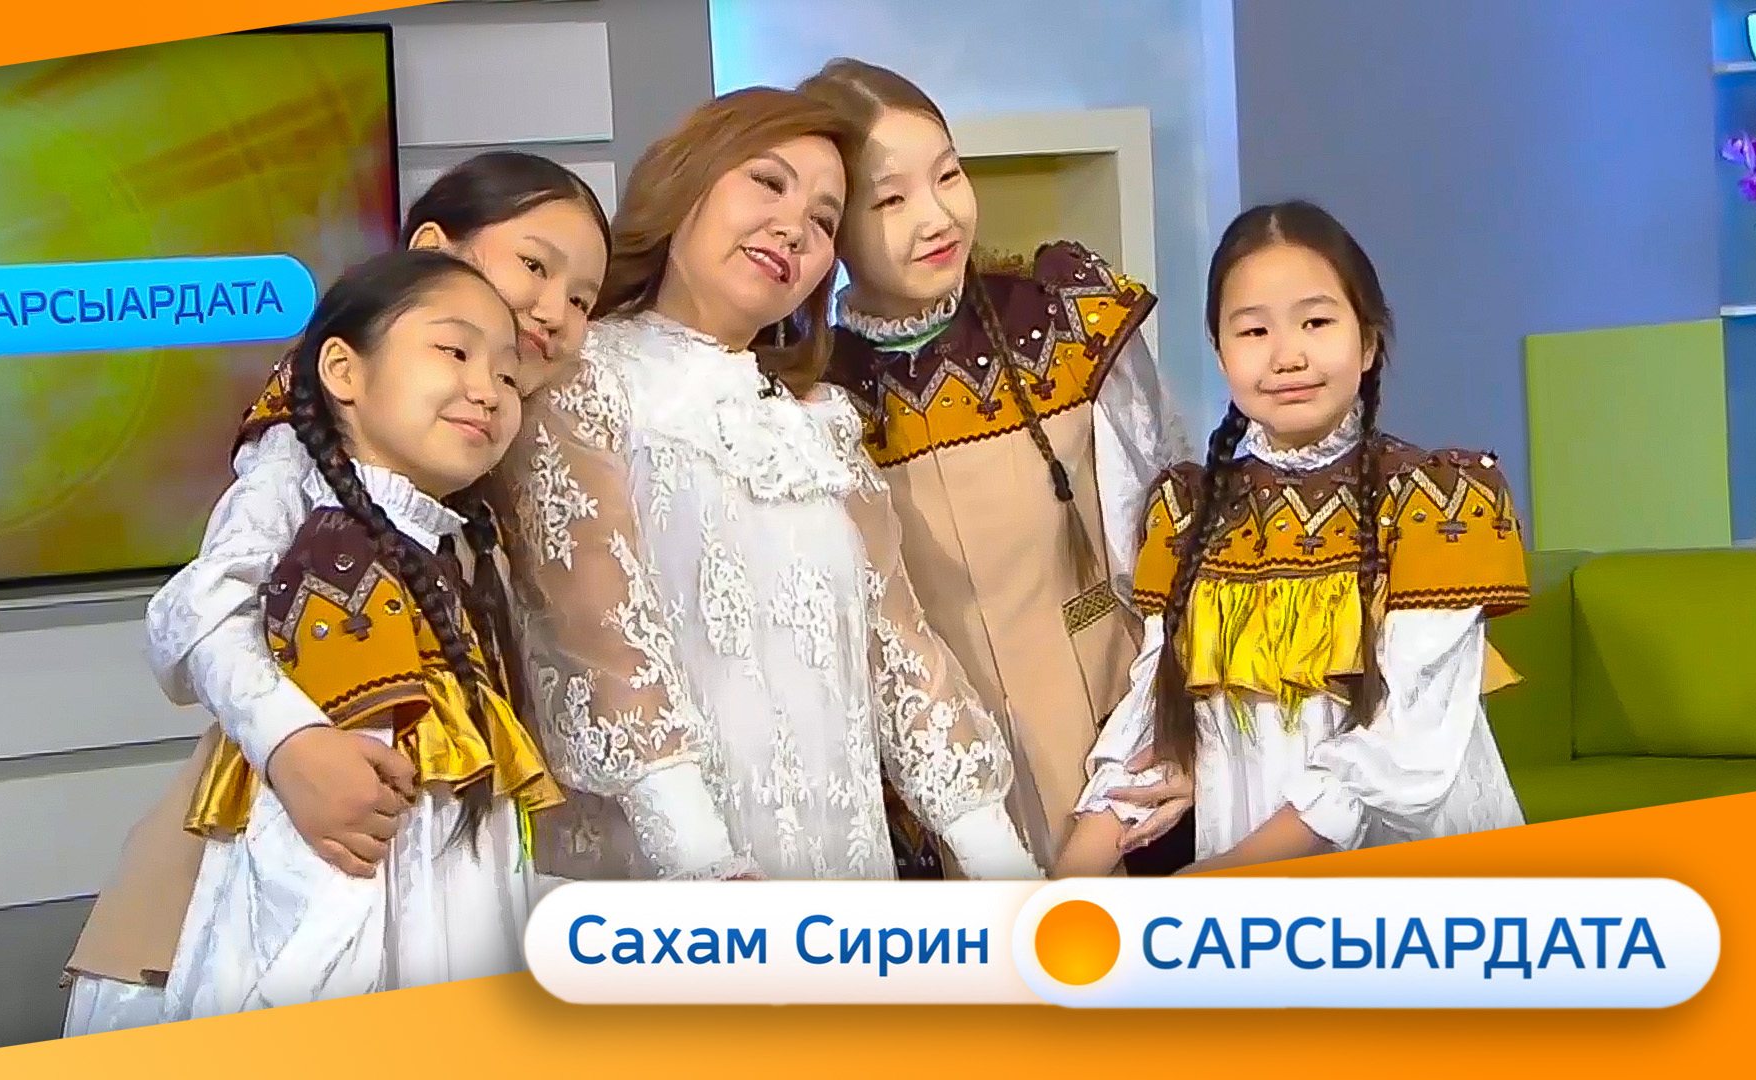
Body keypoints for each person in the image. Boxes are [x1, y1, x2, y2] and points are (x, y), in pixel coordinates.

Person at [61, 153, 609, 1035]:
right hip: (303, 833)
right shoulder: (302, 447)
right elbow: (198, 610)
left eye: (582, 298)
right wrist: (294, 744)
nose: (553, 309)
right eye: (533, 266)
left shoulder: (483, 479)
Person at [512, 86, 1041, 882]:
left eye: (824, 221)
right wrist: (704, 864)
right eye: (767, 182)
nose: (795, 228)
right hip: (673, 884)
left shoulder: (822, 424)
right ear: (686, 180)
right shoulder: (583, 380)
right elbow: (596, 634)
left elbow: (903, 657)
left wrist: (1004, 866)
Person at [796, 59, 1193, 875]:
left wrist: (1176, 738)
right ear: (832, 226)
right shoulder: (809, 397)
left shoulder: (1065, 319)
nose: (937, 216)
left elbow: (1179, 539)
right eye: (890, 199)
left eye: (948, 175)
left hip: (1128, 766)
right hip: (945, 804)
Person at [1052, 200, 1529, 878]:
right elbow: (1153, 721)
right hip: (1250, 869)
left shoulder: (1436, 504)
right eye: (1254, 330)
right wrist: (1065, 881)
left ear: (1368, 342)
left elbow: (1406, 744)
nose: (1288, 356)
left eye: (1316, 322)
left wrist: (1237, 869)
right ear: (1219, 352)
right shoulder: (1187, 515)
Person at [143, 249, 558, 1022]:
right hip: (325, 874)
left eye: (508, 377)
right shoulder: (292, 491)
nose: (487, 390)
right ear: (342, 369)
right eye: (454, 351)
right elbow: (193, 612)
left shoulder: (462, 551)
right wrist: (290, 740)